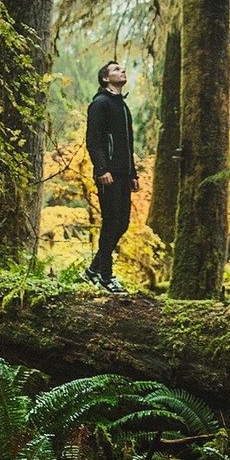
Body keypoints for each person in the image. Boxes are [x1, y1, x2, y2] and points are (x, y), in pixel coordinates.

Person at [85, 59, 138, 291]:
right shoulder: (100, 103)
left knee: (122, 224)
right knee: (111, 223)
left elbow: (128, 144)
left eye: (122, 68)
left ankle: (93, 269)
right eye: (116, 69)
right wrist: (101, 169)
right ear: (106, 78)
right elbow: (94, 141)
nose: (122, 71)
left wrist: (133, 173)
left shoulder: (123, 106)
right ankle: (106, 277)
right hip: (108, 174)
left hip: (124, 174)